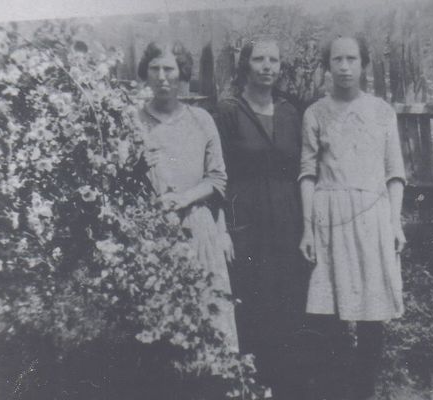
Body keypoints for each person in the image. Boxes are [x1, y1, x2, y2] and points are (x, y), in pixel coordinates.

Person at [299, 36, 407, 400]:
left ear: (363, 64)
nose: (344, 67)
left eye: (351, 59)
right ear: (327, 66)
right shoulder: (315, 113)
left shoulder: (382, 112)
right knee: (330, 312)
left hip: (373, 218)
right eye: (337, 59)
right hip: (329, 218)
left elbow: (395, 173)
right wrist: (308, 228)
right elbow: (308, 174)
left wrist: (394, 223)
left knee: (372, 312)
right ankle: (334, 389)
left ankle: (363, 390)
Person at [214, 39, 310, 400]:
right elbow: (218, 173)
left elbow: (303, 168)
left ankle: (286, 384)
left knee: (287, 298)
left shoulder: (289, 112)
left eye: (274, 59)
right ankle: (251, 383)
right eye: (259, 59)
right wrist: (223, 226)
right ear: (245, 64)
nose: (267, 66)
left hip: (287, 219)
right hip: (247, 219)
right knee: (252, 298)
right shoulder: (228, 111)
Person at [136, 41, 238, 352]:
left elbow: (218, 178)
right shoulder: (134, 121)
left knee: (207, 320)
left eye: (170, 69)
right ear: (146, 73)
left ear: (182, 74)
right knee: (161, 326)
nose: (162, 76)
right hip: (152, 233)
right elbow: (119, 181)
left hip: (198, 227)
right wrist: (136, 167)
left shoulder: (200, 120)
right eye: (155, 69)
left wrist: (185, 198)